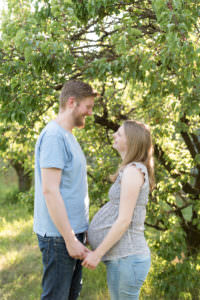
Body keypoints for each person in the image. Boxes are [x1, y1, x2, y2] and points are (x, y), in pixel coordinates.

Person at [33, 80, 97, 300]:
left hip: (71, 233)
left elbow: (71, 188)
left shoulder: (68, 135)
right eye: (87, 107)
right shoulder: (54, 137)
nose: (90, 112)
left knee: (70, 295)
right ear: (72, 102)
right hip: (59, 238)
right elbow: (50, 191)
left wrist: (80, 230)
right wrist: (70, 239)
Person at [83, 120, 155, 300]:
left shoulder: (133, 171)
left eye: (120, 134)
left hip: (127, 258)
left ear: (132, 142)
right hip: (122, 258)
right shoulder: (130, 170)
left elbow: (124, 220)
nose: (114, 135)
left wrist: (97, 254)